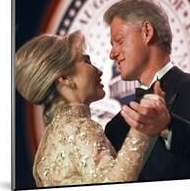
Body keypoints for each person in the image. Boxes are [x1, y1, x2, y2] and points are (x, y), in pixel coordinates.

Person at [103, 0, 190, 181]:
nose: (112, 53)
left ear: (147, 32)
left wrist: (168, 127)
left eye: (119, 40)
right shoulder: (116, 127)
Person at [15, 30, 154, 187]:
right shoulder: (79, 128)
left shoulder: (49, 139)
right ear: (65, 78)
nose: (99, 71)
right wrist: (142, 130)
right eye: (86, 61)